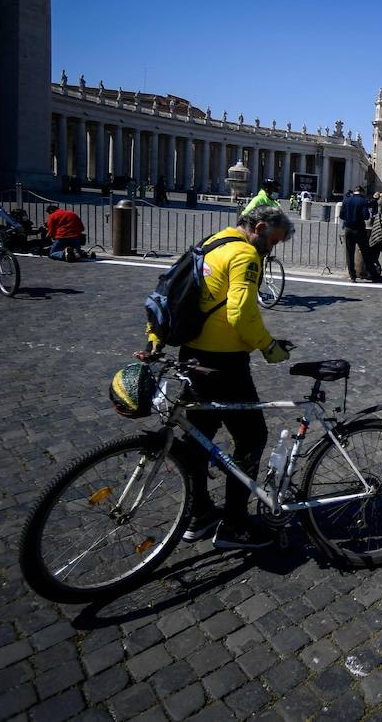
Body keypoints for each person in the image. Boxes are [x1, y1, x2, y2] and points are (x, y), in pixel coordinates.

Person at [146, 206, 294, 550]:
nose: (271, 250)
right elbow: (241, 313)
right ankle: (235, 524)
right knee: (252, 437)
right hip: (225, 364)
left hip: (192, 355)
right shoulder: (246, 254)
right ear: (258, 228)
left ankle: (198, 515)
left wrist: (154, 336)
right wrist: (268, 346)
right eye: (272, 241)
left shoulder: (213, 242)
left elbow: (170, 287)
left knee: (199, 437)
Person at [339, 185, 372, 282]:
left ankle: (352, 275)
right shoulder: (363, 201)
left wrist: (349, 218)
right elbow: (366, 216)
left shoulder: (347, 200)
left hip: (348, 229)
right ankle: (370, 273)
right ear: (361, 192)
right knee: (366, 252)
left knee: (349, 253)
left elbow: (341, 215)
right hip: (360, 229)